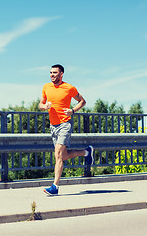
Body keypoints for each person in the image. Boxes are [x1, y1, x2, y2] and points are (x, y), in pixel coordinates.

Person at [39, 64, 94, 196]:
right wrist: (44, 106)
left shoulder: (69, 88)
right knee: (62, 156)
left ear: (61, 74)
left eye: (55, 73)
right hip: (53, 126)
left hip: (65, 124)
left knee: (57, 154)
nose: (52, 75)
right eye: (51, 72)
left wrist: (72, 110)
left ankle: (55, 187)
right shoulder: (46, 87)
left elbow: (82, 101)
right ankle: (86, 152)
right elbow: (40, 105)